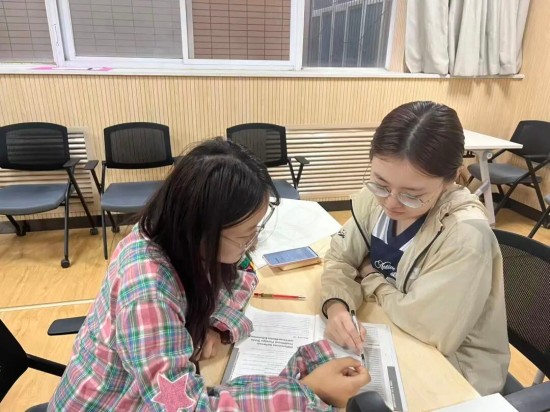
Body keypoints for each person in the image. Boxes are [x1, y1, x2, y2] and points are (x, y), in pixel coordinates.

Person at [48, 138, 369, 411]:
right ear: (202, 230)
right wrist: (306, 393)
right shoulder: (147, 289)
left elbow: (242, 273)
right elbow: (178, 404)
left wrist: (216, 326)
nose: (251, 244)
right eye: (245, 236)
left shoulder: (178, 238)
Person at [321, 101, 510, 395]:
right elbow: (339, 258)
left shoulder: (465, 237)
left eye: (412, 195)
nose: (391, 202)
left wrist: (370, 277)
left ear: (449, 180)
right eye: (380, 183)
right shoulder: (374, 200)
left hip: (455, 372)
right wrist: (336, 306)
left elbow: (429, 329)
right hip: (391, 336)